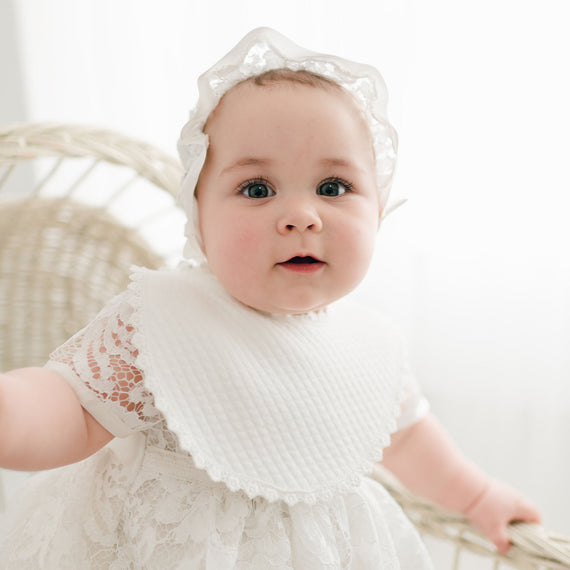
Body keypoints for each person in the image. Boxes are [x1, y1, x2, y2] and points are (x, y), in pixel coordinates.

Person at [0, 27, 540, 569]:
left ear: (378, 211)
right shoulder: (163, 318)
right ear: (199, 223)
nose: (302, 215)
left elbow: (408, 438)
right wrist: (13, 411)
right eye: (257, 189)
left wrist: (476, 496)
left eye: (333, 188)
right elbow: (73, 409)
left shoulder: (369, 343)